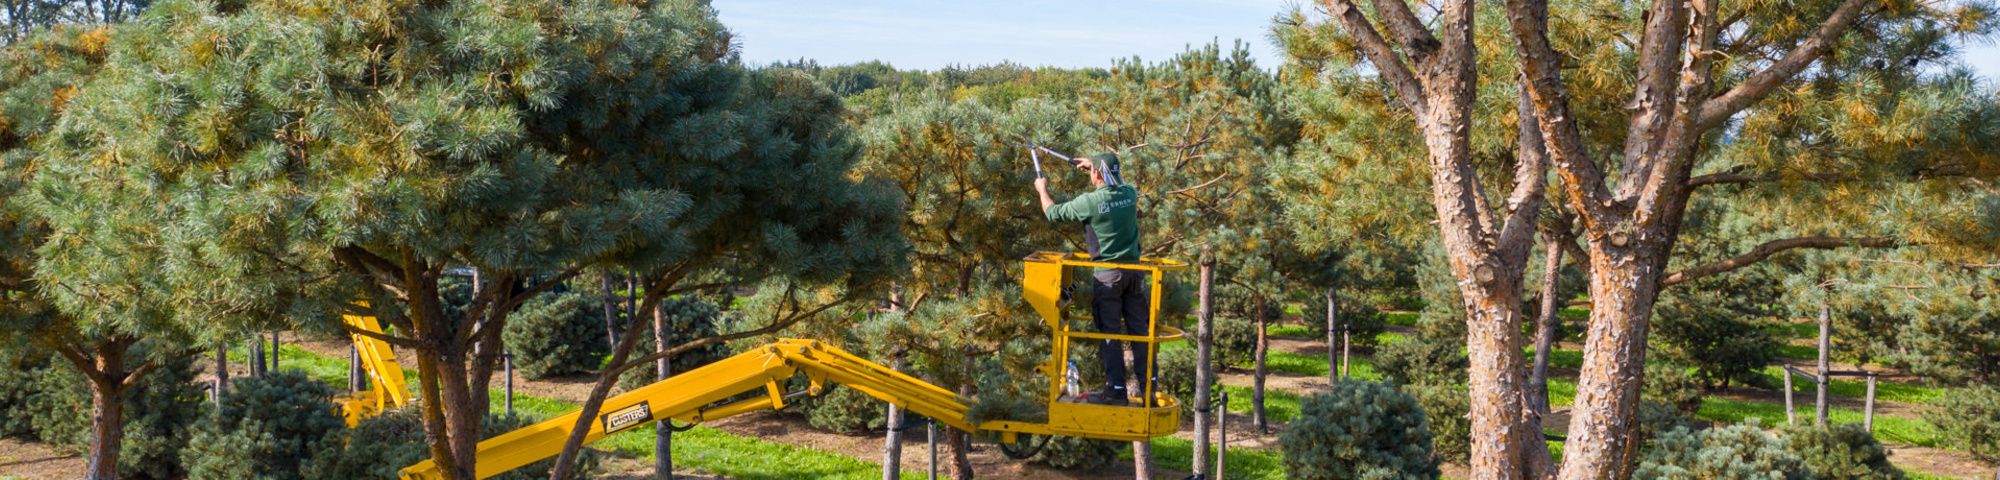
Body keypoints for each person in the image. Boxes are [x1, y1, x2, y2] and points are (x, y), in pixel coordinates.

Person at [1034, 152, 1147, 406]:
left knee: (1110, 333)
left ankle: (1116, 391)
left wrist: (1042, 189)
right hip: (1135, 274)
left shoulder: (1089, 202)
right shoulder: (1129, 194)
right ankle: (1148, 389)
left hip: (1108, 277)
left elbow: (1052, 213)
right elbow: (1118, 180)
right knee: (1140, 333)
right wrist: (1095, 166)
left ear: (1096, 174)